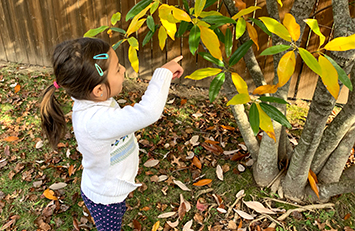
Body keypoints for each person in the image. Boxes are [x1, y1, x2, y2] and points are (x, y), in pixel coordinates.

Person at [40, 37, 183, 230]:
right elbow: (147, 112)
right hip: (105, 199)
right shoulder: (95, 121)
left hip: (111, 190)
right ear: (98, 90)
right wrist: (163, 73)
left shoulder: (93, 101)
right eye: (117, 69)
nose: (123, 69)